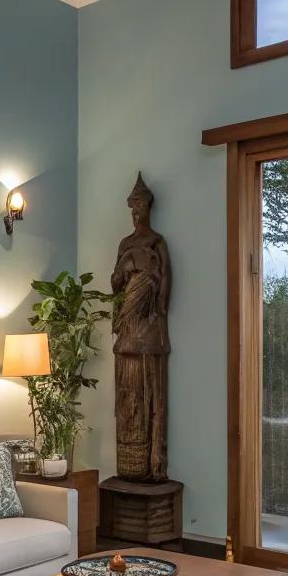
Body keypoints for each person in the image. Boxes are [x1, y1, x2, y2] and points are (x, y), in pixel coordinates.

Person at [110, 173, 171, 481]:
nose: (135, 214)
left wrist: (150, 287)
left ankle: (153, 463)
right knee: (126, 401)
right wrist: (127, 265)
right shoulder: (126, 244)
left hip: (148, 334)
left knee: (150, 401)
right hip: (127, 333)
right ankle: (128, 464)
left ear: (149, 208)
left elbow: (163, 295)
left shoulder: (157, 243)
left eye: (140, 208)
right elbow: (115, 285)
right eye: (131, 208)